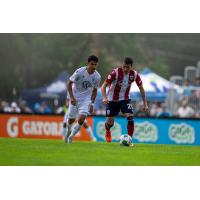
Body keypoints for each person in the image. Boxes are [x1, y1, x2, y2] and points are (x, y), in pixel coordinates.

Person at [101, 57, 148, 144]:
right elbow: (104, 85)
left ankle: (129, 139)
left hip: (125, 99)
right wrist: (104, 97)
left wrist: (145, 103)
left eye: (128, 67)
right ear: (122, 65)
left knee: (130, 118)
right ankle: (107, 131)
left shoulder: (134, 75)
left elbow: (141, 88)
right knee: (110, 124)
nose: (125, 69)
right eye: (124, 66)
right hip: (112, 100)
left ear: (131, 67)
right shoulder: (115, 72)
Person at [63, 55, 101, 143]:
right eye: (92, 64)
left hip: (85, 100)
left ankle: (71, 137)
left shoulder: (97, 77)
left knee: (81, 119)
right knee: (71, 120)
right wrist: (71, 98)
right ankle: (68, 131)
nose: (94, 67)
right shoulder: (79, 72)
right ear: (88, 63)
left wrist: (92, 104)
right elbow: (69, 83)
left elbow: (95, 90)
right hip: (75, 98)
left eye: (95, 65)